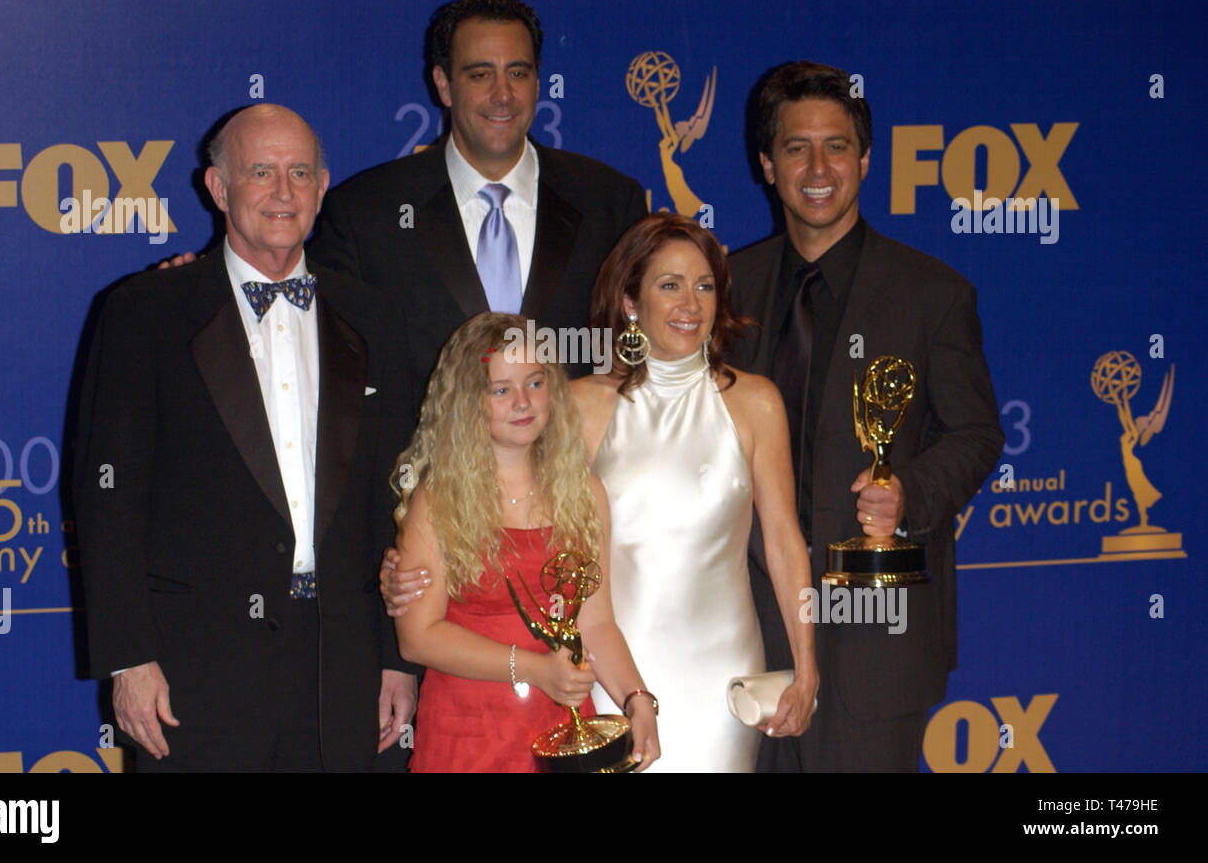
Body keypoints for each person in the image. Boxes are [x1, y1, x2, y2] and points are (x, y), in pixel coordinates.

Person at [384, 215, 818, 773]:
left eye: (704, 285)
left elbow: (784, 544)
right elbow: (496, 504)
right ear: (630, 302)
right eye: (670, 284)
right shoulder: (579, 404)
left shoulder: (757, 402)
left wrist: (807, 669)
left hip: (715, 675)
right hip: (592, 680)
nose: (691, 302)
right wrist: (405, 570)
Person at [74, 104, 417, 771]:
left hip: (341, 666)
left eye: (299, 172)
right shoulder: (145, 313)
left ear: (323, 187)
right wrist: (128, 658)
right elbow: (106, 500)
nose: (283, 192)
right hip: (193, 671)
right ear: (218, 188)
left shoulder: (372, 315)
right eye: (260, 171)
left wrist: (398, 654)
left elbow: (398, 493)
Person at [729, 61, 1004, 771]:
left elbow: (976, 433)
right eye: (796, 147)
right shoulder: (724, 292)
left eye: (838, 146)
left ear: (866, 159)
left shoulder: (933, 294)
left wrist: (909, 492)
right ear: (767, 163)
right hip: (739, 633)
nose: (818, 167)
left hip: (875, 636)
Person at [308, 0, 646, 390]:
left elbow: (638, 356)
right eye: (480, 74)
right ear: (444, 85)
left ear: (538, 83)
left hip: (578, 450)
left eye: (518, 73)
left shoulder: (609, 203)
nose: (503, 95)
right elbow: (337, 373)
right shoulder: (365, 213)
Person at [391, 312, 660, 772]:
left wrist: (637, 700)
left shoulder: (585, 491)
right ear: (468, 402)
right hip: (466, 733)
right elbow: (417, 638)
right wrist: (534, 669)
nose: (523, 402)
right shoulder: (436, 502)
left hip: (561, 727)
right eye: (501, 389)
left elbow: (596, 625)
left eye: (535, 383)